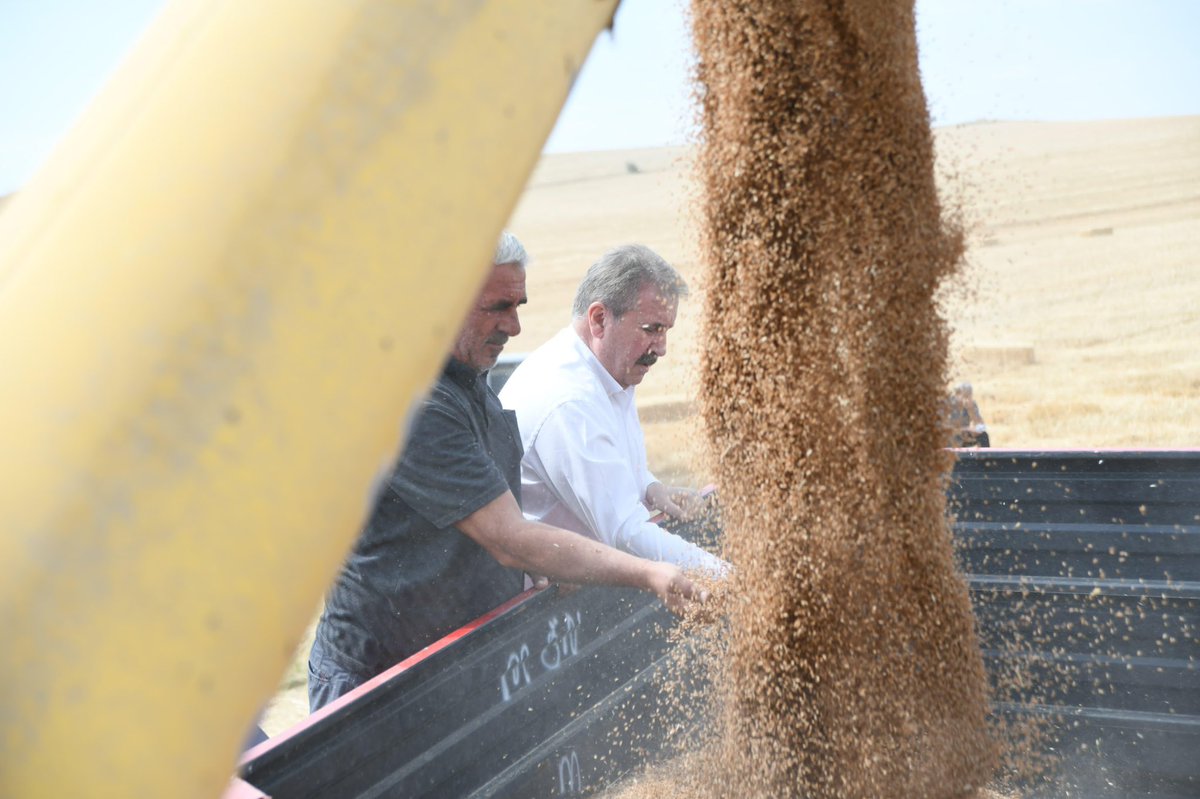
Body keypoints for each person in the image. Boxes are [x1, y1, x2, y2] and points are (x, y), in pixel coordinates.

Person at [308, 233, 710, 712]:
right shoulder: (418, 405)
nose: (515, 327)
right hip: (381, 683)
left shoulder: (473, 386)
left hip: (455, 661)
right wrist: (652, 574)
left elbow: (502, 515)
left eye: (518, 305)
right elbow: (509, 537)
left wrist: (540, 565)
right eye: (498, 307)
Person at [499, 244, 729, 574]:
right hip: (539, 604)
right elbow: (626, 533)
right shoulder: (569, 402)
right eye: (652, 329)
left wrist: (650, 487)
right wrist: (730, 580)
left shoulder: (610, 370)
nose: (661, 348)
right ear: (599, 319)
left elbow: (609, 462)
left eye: (666, 331)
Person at [946, 382, 990, 448]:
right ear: (957, 394)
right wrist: (963, 429)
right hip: (950, 437)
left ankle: (986, 457)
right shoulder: (948, 405)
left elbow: (981, 425)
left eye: (969, 396)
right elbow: (944, 429)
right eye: (965, 396)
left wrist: (971, 410)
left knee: (983, 436)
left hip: (963, 436)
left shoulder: (972, 404)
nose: (967, 399)